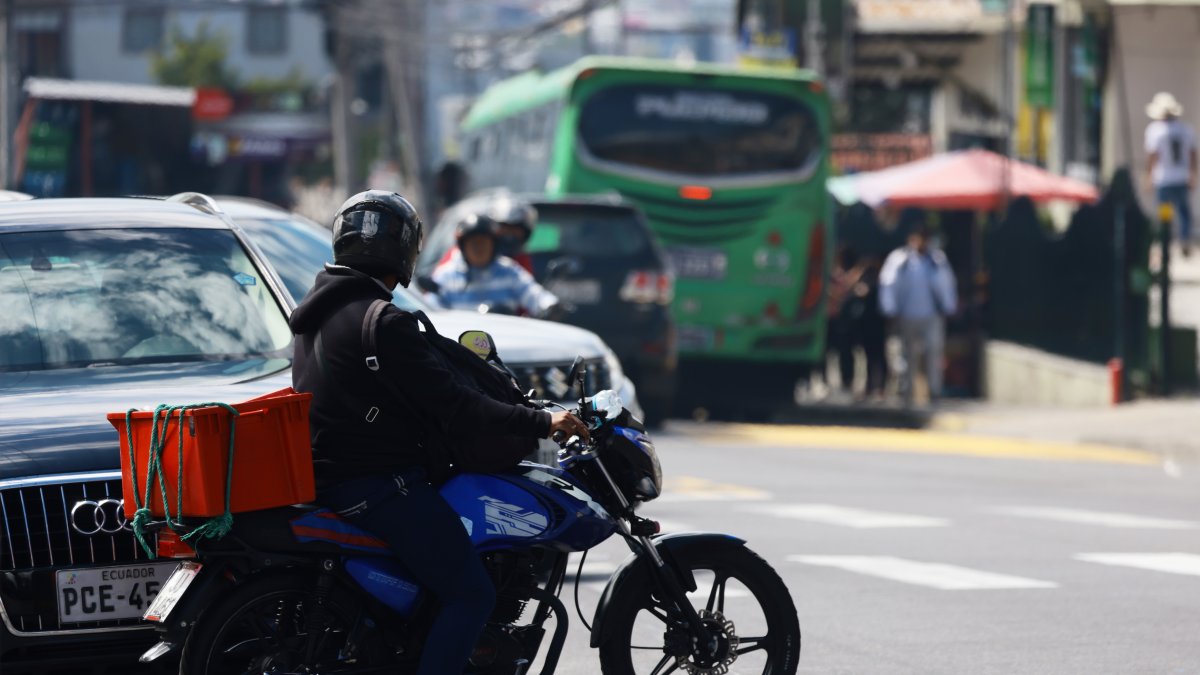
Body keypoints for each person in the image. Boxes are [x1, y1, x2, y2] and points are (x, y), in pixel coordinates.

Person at [288, 190, 589, 675]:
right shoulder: (382, 321)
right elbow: (457, 405)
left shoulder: (316, 314)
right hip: (378, 486)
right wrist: (542, 421)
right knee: (471, 594)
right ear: (404, 251)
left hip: (330, 477)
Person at [878, 224, 957, 405]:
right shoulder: (900, 260)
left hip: (931, 315)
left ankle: (934, 391)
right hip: (907, 315)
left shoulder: (936, 260)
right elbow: (889, 284)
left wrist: (948, 307)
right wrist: (890, 309)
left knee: (933, 354)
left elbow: (947, 284)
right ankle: (907, 393)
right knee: (907, 356)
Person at [431, 212, 560, 317]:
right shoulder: (446, 276)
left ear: (494, 245)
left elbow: (534, 294)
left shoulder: (509, 271)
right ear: (463, 247)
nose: (479, 249)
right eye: (474, 243)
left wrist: (550, 306)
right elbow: (432, 309)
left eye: (484, 243)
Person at [1144, 91, 1198, 257]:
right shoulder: (1186, 130)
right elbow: (1193, 155)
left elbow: (1153, 156)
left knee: (1165, 213)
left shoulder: (1155, 131)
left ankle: (1165, 241)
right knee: (1183, 213)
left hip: (1164, 179)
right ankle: (1183, 239)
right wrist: (1193, 174)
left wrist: (1148, 176)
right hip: (1181, 177)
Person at [488, 196, 537, 273]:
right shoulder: (481, 258)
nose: (509, 234)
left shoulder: (524, 261)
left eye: (514, 229)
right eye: (505, 228)